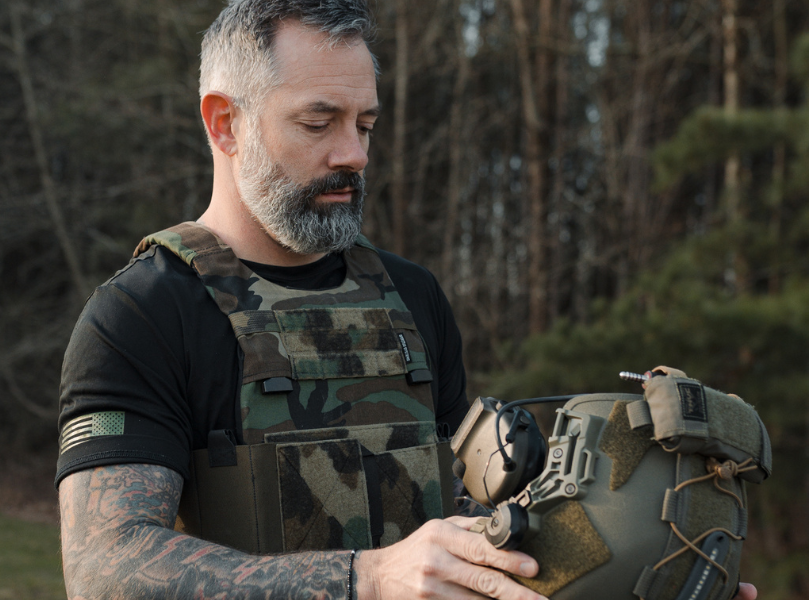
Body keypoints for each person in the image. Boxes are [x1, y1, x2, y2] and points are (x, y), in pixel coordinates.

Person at [55, 1, 758, 599]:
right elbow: (105, 568)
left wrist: (637, 564)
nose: (354, 155)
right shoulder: (143, 316)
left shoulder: (411, 297)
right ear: (224, 124)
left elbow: (468, 523)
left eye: (365, 125)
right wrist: (365, 579)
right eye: (318, 122)